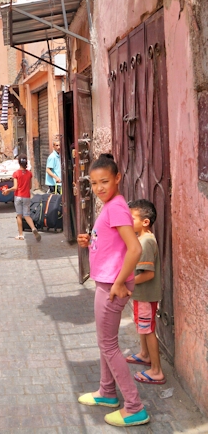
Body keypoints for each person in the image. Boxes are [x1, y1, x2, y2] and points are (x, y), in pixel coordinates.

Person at [77, 153, 150, 428]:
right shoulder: (109, 206)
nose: (99, 188)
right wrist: (88, 241)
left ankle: (134, 407)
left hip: (112, 286)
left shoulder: (117, 207)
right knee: (105, 342)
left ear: (118, 178)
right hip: (107, 282)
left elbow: (135, 248)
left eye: (105, 181)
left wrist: (120, 282)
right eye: (95, 183)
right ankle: (107, 392)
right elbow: (111, 243)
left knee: (108, 345)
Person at [127, 199, 165, 384]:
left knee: (148, 329)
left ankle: (157, 370)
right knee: (142, 325)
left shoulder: (146, 242)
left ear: (145, 222)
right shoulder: (142, 238)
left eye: (131, 218)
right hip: (141, 295)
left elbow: (148, 274)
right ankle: (144, 354)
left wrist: (127, 283)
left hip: (145, 295)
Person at [2, 153, 41, 242]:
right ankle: (33, 228)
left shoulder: (16, 173)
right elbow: (30, 187)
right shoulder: (29, 174)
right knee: (27, 215)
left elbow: (15, 187)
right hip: (26, 196)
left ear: (18, 162)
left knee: (19, 216)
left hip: (18, 196)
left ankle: (20, 235)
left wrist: (8, 190)